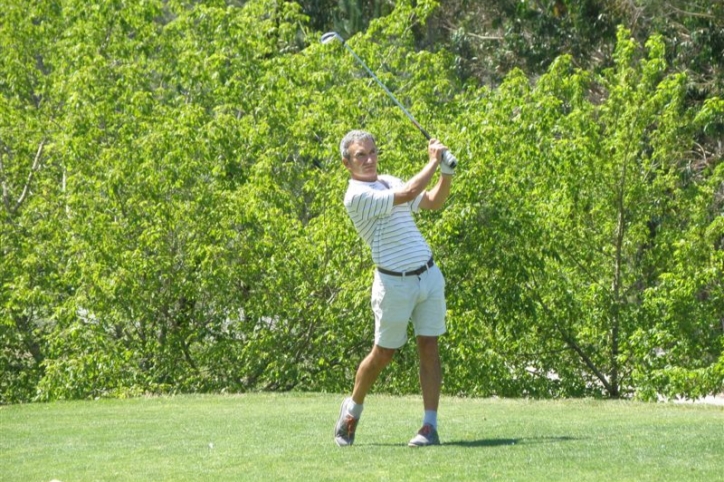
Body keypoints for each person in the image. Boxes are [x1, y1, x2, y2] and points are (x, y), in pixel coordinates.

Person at [334, 129, 455, 447]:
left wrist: (446, 173)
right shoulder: (356, 196)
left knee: (429, 347)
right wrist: (432, 161)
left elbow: (430, 201)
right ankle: (352, 408)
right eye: (361, 155)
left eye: (373, 152)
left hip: (428, 275)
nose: (370, 159)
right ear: (347, 163)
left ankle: (429, 426)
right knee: (383, 353)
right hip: (392, 284)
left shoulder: (388, 179)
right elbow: (408, 193)